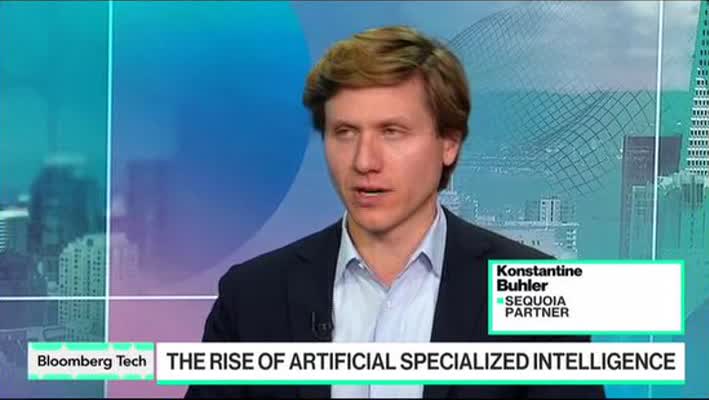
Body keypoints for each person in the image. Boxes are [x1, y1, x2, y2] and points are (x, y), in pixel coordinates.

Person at [186, 25, 605, 399]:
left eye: (392, 132)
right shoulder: (253, 295)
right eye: (345, 132)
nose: (364, 161)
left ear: (449, 143)